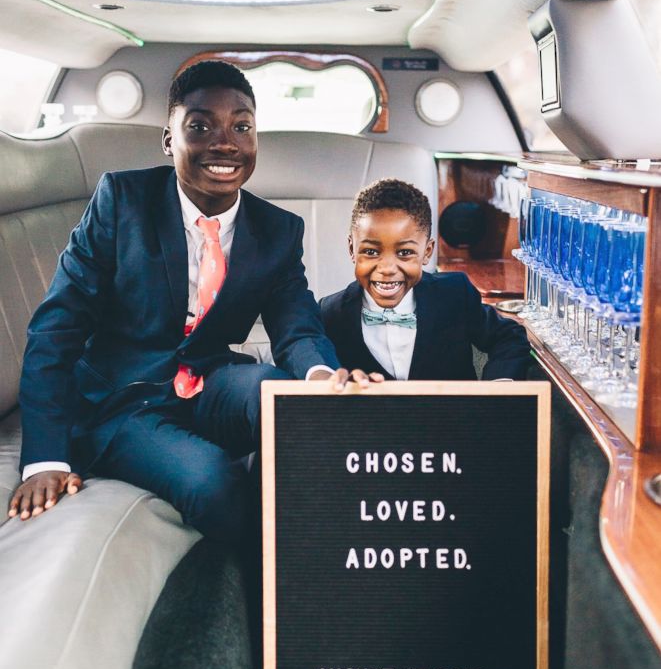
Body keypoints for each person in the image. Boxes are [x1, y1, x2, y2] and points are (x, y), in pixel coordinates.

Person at [9, 60, 377, 538]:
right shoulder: (121, 201)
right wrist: (44, 459)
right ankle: (238, 590)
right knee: (212, 481)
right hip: (123, 405)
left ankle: (329, 546)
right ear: (169, 140)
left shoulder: (277, 230)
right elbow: (56, 329)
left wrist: (322, 379)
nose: (224, 142)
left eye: (241, 126)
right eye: (200, 126)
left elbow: (298, 326)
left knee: (281, 395)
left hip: (207, 385)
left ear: (255, 139)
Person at [320, 178, 531, 381]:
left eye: (404, 253)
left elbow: (509, 337)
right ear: (352, 250)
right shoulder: (329, 314)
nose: (386, 268)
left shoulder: (454, 294)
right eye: (371, 252)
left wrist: (497, 389)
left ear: (427, 251)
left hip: (454, 418)